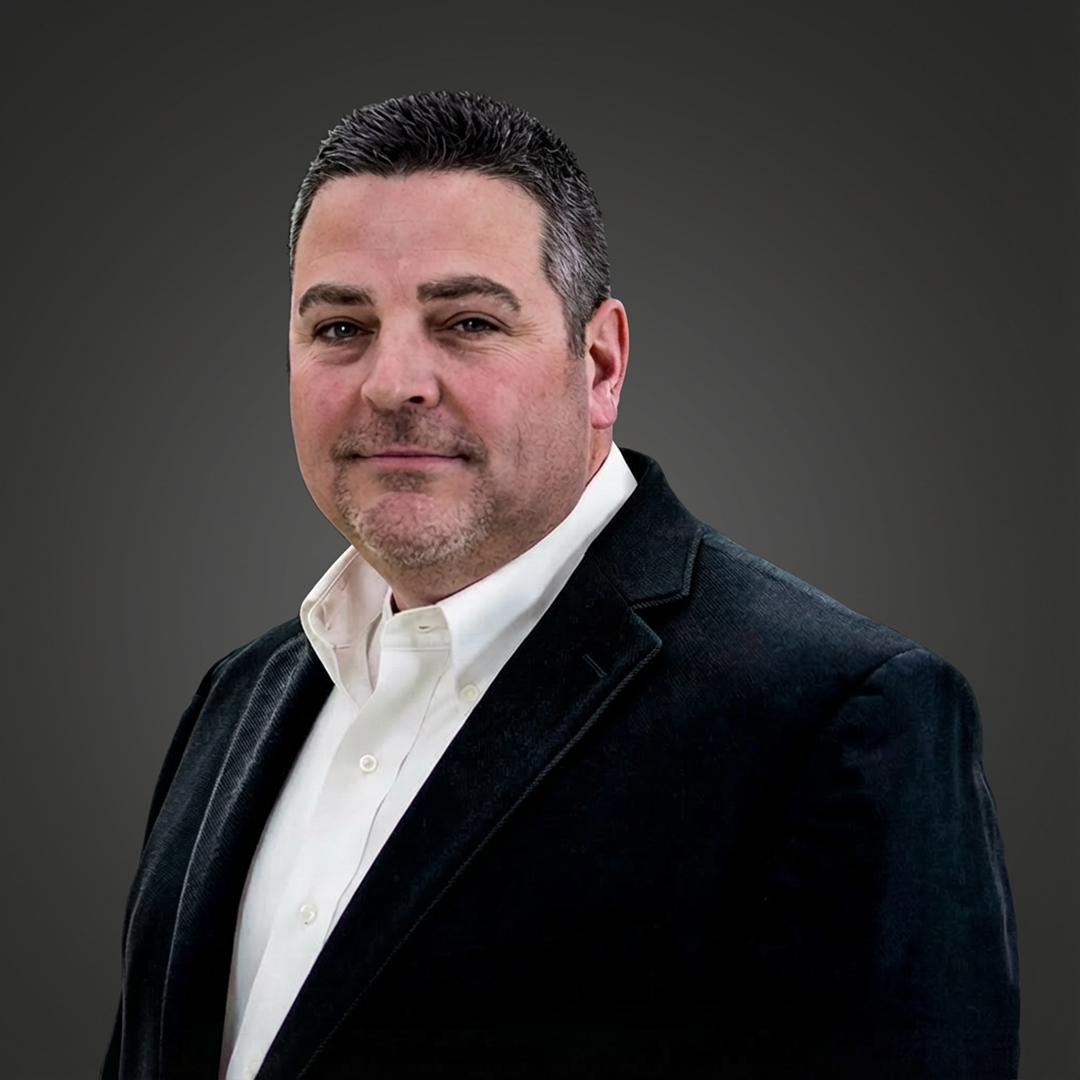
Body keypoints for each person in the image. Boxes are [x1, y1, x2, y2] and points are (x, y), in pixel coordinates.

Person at [103, 91, 1019, 1079]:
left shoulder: (838, 720)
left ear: (601, 361)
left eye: (465, 321)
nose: (392, 381)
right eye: (340, 326)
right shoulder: (234, 700)